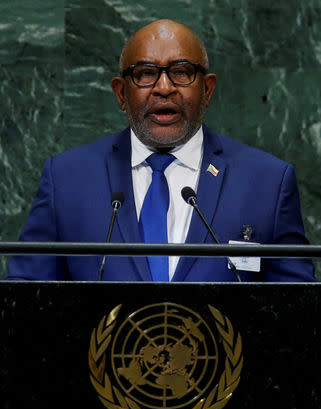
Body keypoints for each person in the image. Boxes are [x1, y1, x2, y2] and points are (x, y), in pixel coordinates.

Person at [5, 19, 316, 282]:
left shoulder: (267, 182)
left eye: (181, 72)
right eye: (145, 73)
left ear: (207, 89)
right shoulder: (66, 179)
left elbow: (299, 317)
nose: (164, 87)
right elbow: (24, 303)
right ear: (120, 93)